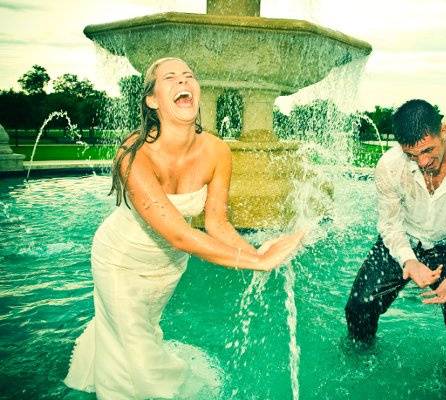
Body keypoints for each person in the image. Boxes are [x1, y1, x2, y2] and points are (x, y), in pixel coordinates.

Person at [64, 57, 304, 399]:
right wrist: (257, 262)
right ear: (152, 100)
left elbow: (216, 224)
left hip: (166, 267)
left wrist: (259, 252)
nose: (183, 82)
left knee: (135, 338)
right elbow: (177, 234)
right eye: (170, 78)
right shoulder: (133, 154)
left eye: (189, 76)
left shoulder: (218, 151)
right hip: (120, 261)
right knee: (139, 356)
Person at [344, 99, 446, 371]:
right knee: (359, 305)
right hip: (404, 240)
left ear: (444, 129)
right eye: (412, 155)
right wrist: (409, 261)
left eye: (428, 150)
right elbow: (390, 225)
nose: (423, 162)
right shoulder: (388, 166)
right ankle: (359, 359)